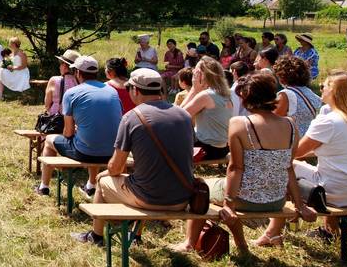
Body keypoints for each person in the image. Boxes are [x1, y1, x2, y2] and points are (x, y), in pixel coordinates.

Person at [174, 70, 317, 252]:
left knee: (200, 187)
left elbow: (235, 168)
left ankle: (191, 244)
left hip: (244, 199)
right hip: (277, 199)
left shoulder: (239, 123)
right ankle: (244, 243)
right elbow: (288, 168)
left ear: (246, 97)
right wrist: (300, 205)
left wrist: (228, 204)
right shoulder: (290, 124)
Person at [71, 69, 194, 246]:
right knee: (143, 178)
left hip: (149, 199)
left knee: (102, 181)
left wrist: (105, 172)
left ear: (135, 90)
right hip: (182, 198)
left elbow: (116, 168)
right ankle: (134, 235)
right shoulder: (184, 115)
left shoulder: (132, 117)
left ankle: (96, 236)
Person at [292, 71, 347, 242]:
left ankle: (276, 229)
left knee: (287, 166)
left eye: (326, 85)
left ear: (336, 92)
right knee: (326, 172)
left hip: (340, 193)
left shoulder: (328, 121)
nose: (321, 88)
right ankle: (329, 230)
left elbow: (296, 152)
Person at [35, 56, 122, 197]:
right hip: (112, 152)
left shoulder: (71, 93)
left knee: (50, 140)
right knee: (92, 138)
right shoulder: (112, 91)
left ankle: (44, 187)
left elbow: (68, 132)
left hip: (85, 152)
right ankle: (91, 185)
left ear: (78, 73)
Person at [181, 56, 233, 159]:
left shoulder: (206, 95)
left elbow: (179, 116)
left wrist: (194, 89)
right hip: (222, 148)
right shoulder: (225, 93)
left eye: (196, 72)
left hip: (207, 150)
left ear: (202, 75)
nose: (193, 75)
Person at [274, 55, 322, 136]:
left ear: (282, 75)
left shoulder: (285, 94)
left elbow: (273, 121)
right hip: (310, 139)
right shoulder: (311, 93)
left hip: (294, 142)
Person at [43, 50, 80, 116]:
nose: (59, 66)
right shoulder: (80, 82)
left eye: (61, 63)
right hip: (74, 119)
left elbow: (47, 105)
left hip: (56, 119)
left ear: (64, 65)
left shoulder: (54, 80)